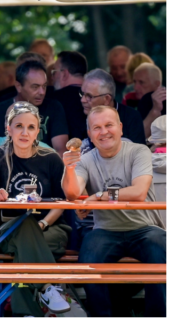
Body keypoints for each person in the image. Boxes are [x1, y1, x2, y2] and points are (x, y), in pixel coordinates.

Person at [62, 105, 165, 317]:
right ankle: (103, 318)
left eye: (109, 125)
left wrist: (100, 196)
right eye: (96, 128)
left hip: (145, 229)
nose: (104, 132)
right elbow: (72, 193)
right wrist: (69, 168)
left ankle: (158, 318)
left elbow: (138, 192)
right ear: (89, 134)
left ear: (120, 128)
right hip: (105, 231)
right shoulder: (86, 158)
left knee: (162, 255)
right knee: (88, 261)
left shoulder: (139, 151)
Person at [0, 102, 71, 315]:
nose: (24, 132)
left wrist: (43, 223)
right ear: (8, 128)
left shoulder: (50, 158)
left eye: (31, 127)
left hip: (50, 230)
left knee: (27, 237)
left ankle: (26, 314)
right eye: (19, 126)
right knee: (25, 226)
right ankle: (49, 287)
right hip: (7, 231)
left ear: (37, 131)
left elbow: (62, 202)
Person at [0, 59, 69, 158]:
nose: (42, 92)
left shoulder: (54, 108)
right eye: (35, 87)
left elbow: (61, 151)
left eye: (44, 86)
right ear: (18, 86)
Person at [71, 69, 146, 146]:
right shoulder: (77, 117)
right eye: (82, 93)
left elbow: (139, 153)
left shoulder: (131, 117)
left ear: (107, 99)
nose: (82, 100)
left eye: (89, 96)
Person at [48, 51, 88, 137]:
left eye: (54, 72)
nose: (52, 77)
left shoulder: (52, 101)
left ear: (64, 74)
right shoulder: (97, 97)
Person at [132, 63, 166, 139]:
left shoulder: (146, 99)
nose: (135, 87)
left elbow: (138, 137)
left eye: (141, 82)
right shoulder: (129, 100)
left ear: (157, 84)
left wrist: (155, 110)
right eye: (135, 82)